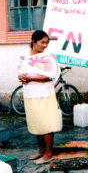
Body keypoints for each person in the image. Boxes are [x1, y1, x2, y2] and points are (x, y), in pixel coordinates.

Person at [17, 30, 61, 165]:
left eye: (46, 43)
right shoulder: (24, 56)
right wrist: (23, 78)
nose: (45, 46)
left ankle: (49, 153)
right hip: (30, 94)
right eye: (42, 42)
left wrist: (31, 77)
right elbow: (21, 72)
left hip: (44, 94)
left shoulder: (49, 57)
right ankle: (41, 150)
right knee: (35, 122)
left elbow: (51, 75)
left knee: (45, 123)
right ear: (33, 41)